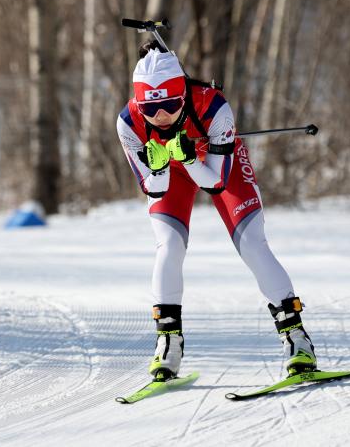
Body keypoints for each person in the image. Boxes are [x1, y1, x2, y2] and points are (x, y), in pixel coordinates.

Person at [116, 41, 317, 381]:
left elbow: (216, 183)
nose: (160, 116)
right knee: (169, 245)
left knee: (253, 245)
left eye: (169, 105)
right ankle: (168, 344)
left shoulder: (213, 107)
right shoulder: (129, 123)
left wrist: (190, 158)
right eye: (151, 109)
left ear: (182, 94)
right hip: (176, 171)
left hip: (216, 163)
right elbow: (153, 188)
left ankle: (297, 339)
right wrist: (162, 167)